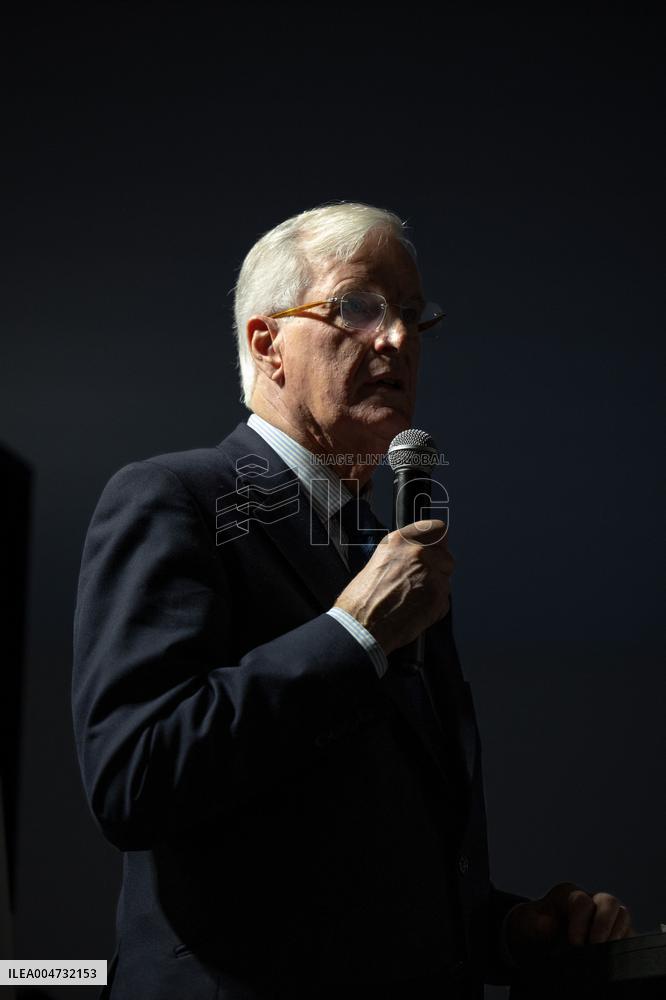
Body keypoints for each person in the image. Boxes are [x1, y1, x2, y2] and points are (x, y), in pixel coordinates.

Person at [72, 203, 634, 1000]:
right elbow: (135, 777)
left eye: (412, 314)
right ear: (267, 344)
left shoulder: (389, 554)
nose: (398, 338)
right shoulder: (175, 498)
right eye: (357, 307)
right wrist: (352, 634)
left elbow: (361, 868)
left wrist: (508, 932)